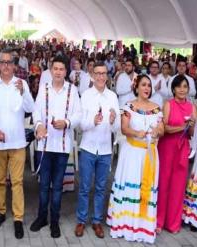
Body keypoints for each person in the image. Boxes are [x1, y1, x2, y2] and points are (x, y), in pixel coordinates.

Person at [107, 75, 164, 244]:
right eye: (143, 85)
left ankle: (143, 226)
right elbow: (124, 129)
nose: (147, 88)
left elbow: (161, 128)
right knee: (131, 187)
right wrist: (136, 133)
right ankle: (125, 224)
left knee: (145, 188)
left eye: (149, 86)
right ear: (136, 87)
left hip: (150, 154)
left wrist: (157, 132)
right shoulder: (128, 106)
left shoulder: (156, 108)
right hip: (132, 153)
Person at [30, 56, 81, 238]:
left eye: (61, 69)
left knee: (57, 187)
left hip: (61, 146)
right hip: (44, 144)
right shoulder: (43, 89)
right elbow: (36, 112)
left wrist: (66, 122)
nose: (58, 72)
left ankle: (54, 221)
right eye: (55, 68)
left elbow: (78, 115)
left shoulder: (72, 90)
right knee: (44, 185)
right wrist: (38, 125)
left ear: (66, 72)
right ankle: (42, 217)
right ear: (51, 70)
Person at [0, 49, 35, 239]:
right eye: (3, 62)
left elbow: (31, 109)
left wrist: (24, 93)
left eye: (9, 62)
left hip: (17, 142)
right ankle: (0, 212)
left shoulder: (21, 83)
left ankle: (18, 218)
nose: (6, 66)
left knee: (17, 181)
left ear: (14, 65)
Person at [75, 61, 120, 239]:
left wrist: (112, 119)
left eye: (104, 73)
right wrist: (92, 121)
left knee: (101, 188)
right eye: (98, 73)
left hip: (105, 150)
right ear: (92, 76)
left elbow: (117, 127)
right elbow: (80, 126)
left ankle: (96, 221)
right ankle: (81, 220)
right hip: (87, 147)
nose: (101, 77)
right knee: (85, 187)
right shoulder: (85, 95)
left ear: (107, 76)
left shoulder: (113, 97)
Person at [156, 74, 197, 234]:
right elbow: (165, 129)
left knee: (178, 186)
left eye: (185, 86)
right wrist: (183, 126)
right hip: (167, 147)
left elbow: (192, 133)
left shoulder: (192, 107)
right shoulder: (168, 104)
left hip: (182, 149)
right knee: (164, 183)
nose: (182, 89)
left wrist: (191, 126)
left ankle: (173, 223)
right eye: (179, 86)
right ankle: (159, 221)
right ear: (173, 89)